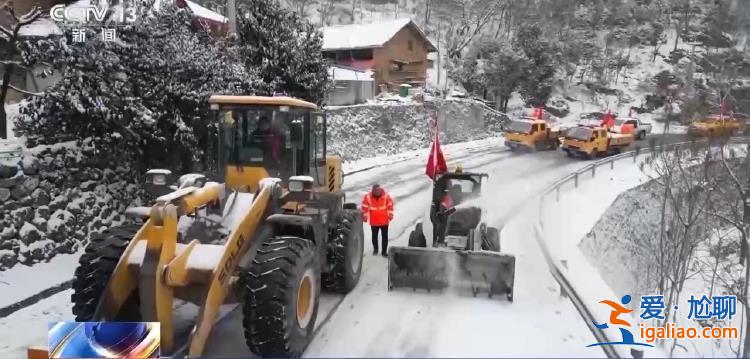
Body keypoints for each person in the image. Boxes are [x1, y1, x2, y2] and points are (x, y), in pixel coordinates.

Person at [360, 184, 394, 257]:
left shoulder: (386, 196)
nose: (377, 192)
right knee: (374, 236)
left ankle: (384, 252)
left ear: (380, 189)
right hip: (374, 221)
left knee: (384, 237)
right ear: (373, 190)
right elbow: (364, 207)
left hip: (384, 221)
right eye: (376, 190)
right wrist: (365, 216)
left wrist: (391, 214)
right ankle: (375, 249)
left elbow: (390, 205)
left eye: (378, 190)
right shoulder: (368, 197)